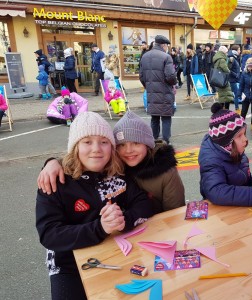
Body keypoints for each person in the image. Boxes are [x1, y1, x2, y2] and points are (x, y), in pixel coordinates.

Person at [36, 112, 154, 300]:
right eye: (87, 142)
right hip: (68, 263)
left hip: (112, 251)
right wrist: (100, 228)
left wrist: (124, 220)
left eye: (104, 142)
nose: (96, 149)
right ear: (75, 147)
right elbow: (49, 234)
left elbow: (143, 204)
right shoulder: (54, 181)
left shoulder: (117, 175)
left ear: (112, 147)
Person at [37, 111, 185, 214]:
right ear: (114, 148)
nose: (128, 150)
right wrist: (53, 162)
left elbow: (175, 213)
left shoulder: (166, 172)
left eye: (136, 143)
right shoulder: (112, 164)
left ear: (147, 145)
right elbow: (81, 159)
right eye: (121, 145)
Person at [198, 102, 252, 207]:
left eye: (244, 134)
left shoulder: (235, 151)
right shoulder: (210, 161)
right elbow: (217, 192)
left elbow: (242, 181)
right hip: (220, 213)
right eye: (239, 136)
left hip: (239, 207)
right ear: (226, 142)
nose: (245, 139)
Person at [139, 35, 177, 144]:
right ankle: (165, 140)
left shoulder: (145, 56)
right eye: (167, 46)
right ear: (164, 45)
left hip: (151, 91)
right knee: (166, 117)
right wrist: (174, 84)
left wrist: (148, 86)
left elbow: (141, 76)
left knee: (154, 117)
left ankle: (154, 139)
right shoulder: (166, 57)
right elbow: (170, 76)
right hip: (165, 91)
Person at [238, 57, 252, 133]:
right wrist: (239, 93)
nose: (250, 67)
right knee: (243, 111)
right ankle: (241, 124)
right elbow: (241, 85)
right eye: (249, 66)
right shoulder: (244, 73)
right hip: (246, 95)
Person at [227, 44, 241, 114]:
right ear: (235, 50)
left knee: (233, 94)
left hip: (234, 79)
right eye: (239, 49)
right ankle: (237, 109)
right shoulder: (232, 58)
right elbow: (228, 69)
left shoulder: (235, 57)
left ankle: (233, 109)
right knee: (235, 94)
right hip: (232, 79)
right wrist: (235, 74)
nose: (240, 51)